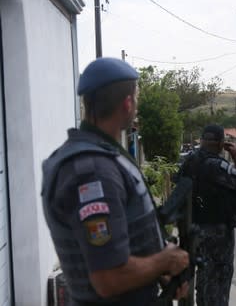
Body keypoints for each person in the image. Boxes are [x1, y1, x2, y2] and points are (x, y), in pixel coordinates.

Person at [41, 57, 189, 305]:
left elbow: (124, 245)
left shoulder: (102, 158)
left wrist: (158, 275)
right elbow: (108, 278)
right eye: (137, 99)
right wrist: (165, 260)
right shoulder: (93, 171)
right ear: (128, 103)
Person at [179, 124, 236, 306]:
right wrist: (235, 155)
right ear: (221, 144)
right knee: (219, 278)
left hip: (192, 229)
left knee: (203, 276)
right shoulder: (218, 166)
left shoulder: (188, 163)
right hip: (217, 233)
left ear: (201, 141)